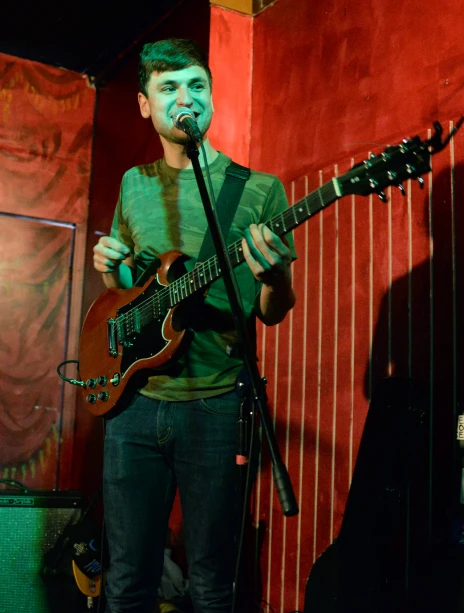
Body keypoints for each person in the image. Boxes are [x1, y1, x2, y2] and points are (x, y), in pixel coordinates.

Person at [92, 38, 296, 613]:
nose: (187, 97)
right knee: (127, 578)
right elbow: (130, 296)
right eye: (170, 87)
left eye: (197, 85)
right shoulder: (134, 184)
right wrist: (111, 267)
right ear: (144, 104)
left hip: (215, 403)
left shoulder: (258, 190)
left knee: (211, 585)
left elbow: (273, 309)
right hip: (132, 402)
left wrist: (276, 278)